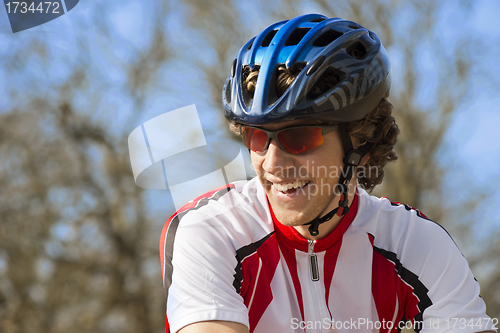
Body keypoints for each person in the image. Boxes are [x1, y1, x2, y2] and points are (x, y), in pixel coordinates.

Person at [159, 14, 497, 333]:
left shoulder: (415, 243)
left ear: (360, 142)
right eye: (257, 136)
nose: (272, 163)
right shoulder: (211, 230)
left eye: (299, 137)